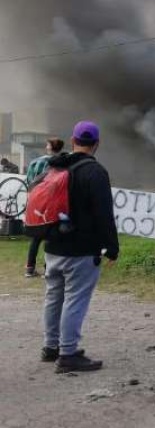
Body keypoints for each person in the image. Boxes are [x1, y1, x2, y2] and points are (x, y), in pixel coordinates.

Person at [42, 121, 119, 373]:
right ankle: (68, 354)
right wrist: (112, 247)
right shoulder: (95, 172)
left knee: (54, 297)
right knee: (75, 300)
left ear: (73, 140)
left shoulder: (55, 167)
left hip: (53, 247)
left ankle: (51, 347)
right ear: (96, 144)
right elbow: (104, 214)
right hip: (81, 250)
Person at [24, 138, 66, 277]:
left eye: (47, 144)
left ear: (50, 147)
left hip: (36, 202)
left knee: (36, 238)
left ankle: (29, 268)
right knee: (50, 237)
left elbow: (29, 181)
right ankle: (49, 268)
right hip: (51, 204)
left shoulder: (37, 162)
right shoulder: (62, 162)